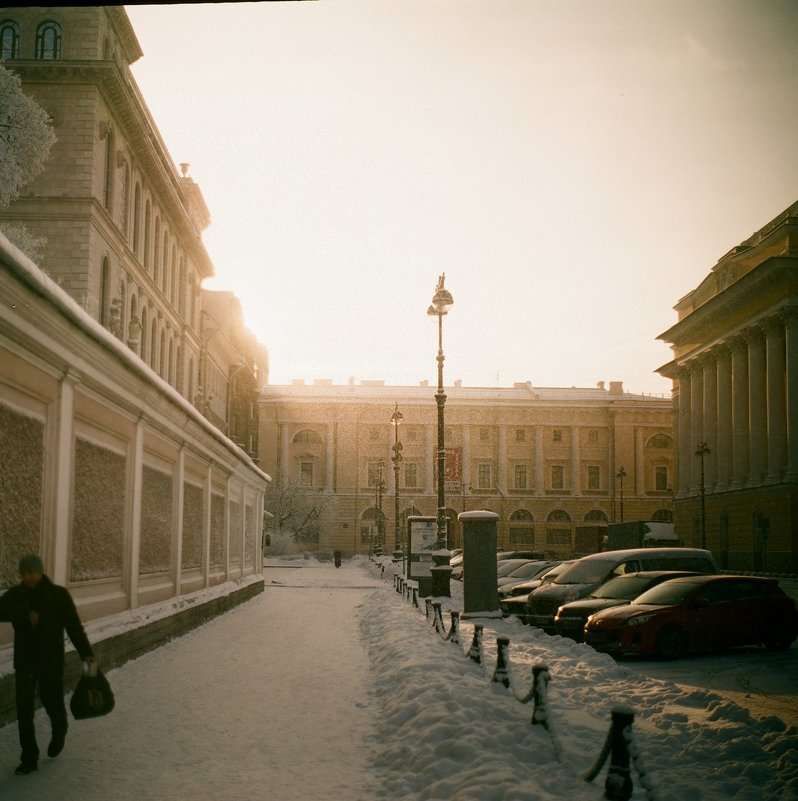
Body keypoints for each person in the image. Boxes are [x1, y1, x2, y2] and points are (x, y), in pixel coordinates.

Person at [0, 554, 95, 776]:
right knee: (24, 711)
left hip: (50, 660)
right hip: (24, 661)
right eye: (23, 574)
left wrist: (87, 655)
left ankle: (60, 728)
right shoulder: (16, 595)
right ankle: (29, 757)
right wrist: (24, 615)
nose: (27, 578)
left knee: (51, 701)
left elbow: (74, 627)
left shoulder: (58, 595)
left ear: (40, 571)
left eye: (31, 573)